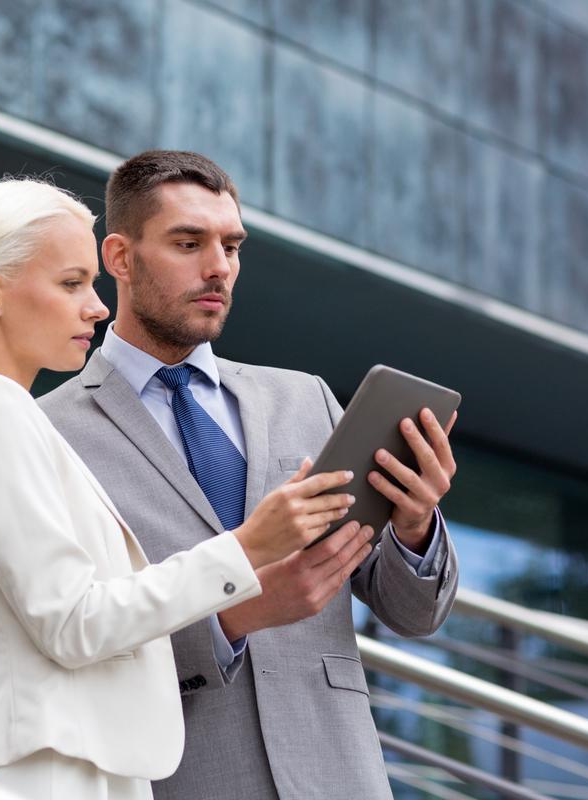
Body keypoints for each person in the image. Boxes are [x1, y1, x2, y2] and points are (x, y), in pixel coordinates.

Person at [0, 177, 361, 798]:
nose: (99, 306)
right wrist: (245, 548)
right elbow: (75, 621)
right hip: (48, 769)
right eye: (70, 283)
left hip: (79, 761)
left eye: (90, 282)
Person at [39, 151, 460, 799]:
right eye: (188, 243)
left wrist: (414, 523)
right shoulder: (49, 434)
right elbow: (68, 645)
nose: (219, 268)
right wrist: (233, 618)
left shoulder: (307, 400)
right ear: (119, 257)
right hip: (184, 779)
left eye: (231, 245)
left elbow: (415, 615)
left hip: (339, 777)